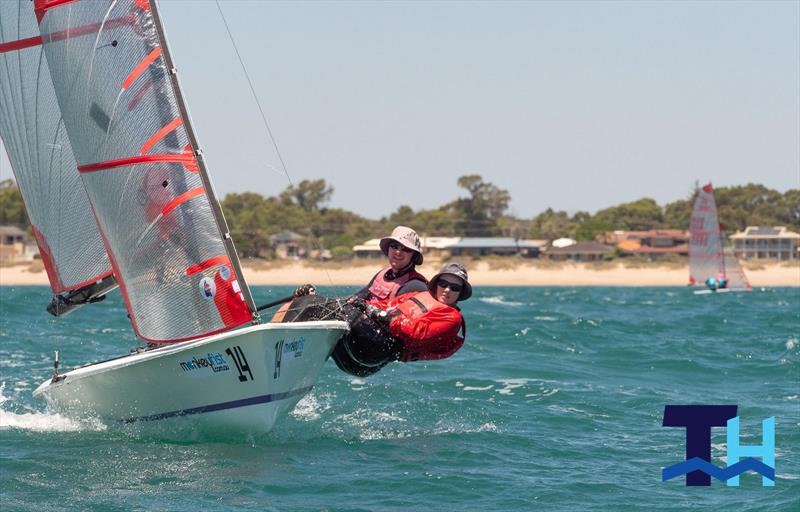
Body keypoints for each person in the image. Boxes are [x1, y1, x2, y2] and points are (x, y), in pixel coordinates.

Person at [331, 262, 471, 374]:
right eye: (444, 284)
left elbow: (415, 332)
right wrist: (362, 304)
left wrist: (373, 312)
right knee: (336, 307)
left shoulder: (452, 319)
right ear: (437, 284)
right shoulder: (419, 295)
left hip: (374, 353)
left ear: (461, 293)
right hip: (352, 357)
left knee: (343, 311)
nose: (447, 290)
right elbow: (387, 305)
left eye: (455, 288)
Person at [351, 225, 428, 304]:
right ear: (388, 249)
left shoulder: (415, 285)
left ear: (414, 255)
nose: (398, 252)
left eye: (406, 249)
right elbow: (359, 296)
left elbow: (394, 314)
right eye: (394, 246)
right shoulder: (381, 274)